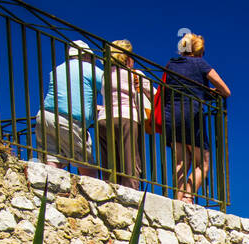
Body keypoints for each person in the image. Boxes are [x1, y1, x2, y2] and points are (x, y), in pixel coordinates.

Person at [161, 33, 231, 203]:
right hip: (192, 114)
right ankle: (188, 196)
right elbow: (225, 90)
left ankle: (177, 199)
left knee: (181, 161)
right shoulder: (200, 63)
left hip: (171, 114)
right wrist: (212, 93)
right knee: (203, 163)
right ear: (198, 50)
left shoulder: (171, 64)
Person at [34, 40, 103, 177]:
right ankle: (93, 196)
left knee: (53, 158)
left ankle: (52, 190)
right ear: (86, 56)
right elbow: (113, 86)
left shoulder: (57, 69)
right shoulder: (90, 69)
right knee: (85, 162)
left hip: (45, 115)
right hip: (69, 119)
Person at [94, 40, 153, 188]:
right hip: (126, 117)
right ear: (127, 57)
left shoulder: (105, 75)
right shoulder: (135, 74)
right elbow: (156, 96)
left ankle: (110, 191)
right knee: (130, 163)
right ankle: (132, 198)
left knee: (110, 164)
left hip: (104, 119)